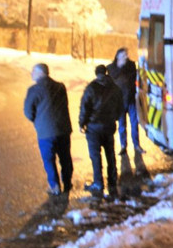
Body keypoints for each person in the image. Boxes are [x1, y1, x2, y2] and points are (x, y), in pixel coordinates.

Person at [24, 63, 74, 196]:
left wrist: (38, 121)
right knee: (65, 157)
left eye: (33, 71)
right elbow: (65, 104)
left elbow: (28, 111)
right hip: (63, 129)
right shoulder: (60, 86)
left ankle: (55, 185)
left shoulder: (34, 90)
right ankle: (68, 183)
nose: (31, 74)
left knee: (49, 159)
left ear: (41, 73)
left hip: (46, 132)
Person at [79, 65, 123, 197]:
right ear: (106, 73)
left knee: (95, 156)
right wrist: (113, 118)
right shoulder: (115, 88)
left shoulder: (91, 88)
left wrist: (82, 123)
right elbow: (120, 108)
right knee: (110, 154)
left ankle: (98, 182)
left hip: (93, 128)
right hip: (109, 126)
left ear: (96, 74)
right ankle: (112, 181)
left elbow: (84, 107)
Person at [107, 47, 144, 156]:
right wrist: (119, 66)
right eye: (123, 55)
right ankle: (123, 146)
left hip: (131, 99)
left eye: (126, 55)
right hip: (119, 102)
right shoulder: (111, 68)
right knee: (122, 126)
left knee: (134, 123)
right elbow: (112, 79)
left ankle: (136, 145)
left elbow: (135, 78)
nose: (126, 57)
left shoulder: (131, 65)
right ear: (117, 56)